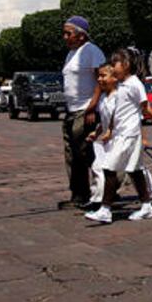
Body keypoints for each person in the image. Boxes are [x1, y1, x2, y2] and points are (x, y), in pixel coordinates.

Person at [86, 48, 152, 224]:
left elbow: (146, 108)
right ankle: (147, 205)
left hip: (128, 135)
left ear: (125, 65)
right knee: (136, 171)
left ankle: (105, 209)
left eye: (114, 64)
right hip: (121, 134)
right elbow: (116, 112)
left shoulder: (134, 84)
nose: (112, 67)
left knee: (109, 167)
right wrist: (108, 129)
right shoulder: (121, 86)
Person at [60, 15, 107, 209]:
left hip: (85, 108)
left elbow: (102, 80)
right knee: (72, 154)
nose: (64, 37)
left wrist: (92, 107)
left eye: (68, 33)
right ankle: (79, 194)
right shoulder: (72, 53)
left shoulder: (91, 51)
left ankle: (107, 187)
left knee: (85, 152)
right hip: (71, 110)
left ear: (81, 36)